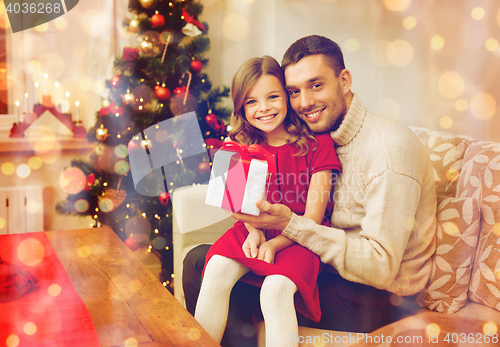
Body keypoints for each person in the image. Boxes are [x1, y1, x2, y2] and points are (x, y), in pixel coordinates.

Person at [184, 35, 436, 345]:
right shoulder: (318, 131)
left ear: (344, 80)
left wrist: (288, 228)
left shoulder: (389, 152)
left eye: (316, 85)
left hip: (378, 296)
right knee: (206, 261)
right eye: (294, 92)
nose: (304, 103)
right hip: (326, 258)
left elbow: (380, 269)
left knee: (213, 268)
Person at [194, 55, 341, 347]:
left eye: (272, 97)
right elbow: (235, 205)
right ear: (241, 106)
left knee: (275, 290)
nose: (263, 108)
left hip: (301, 238)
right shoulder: (235, 144)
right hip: (254, 230)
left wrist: (274, 243)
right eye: (251, 102)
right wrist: (254, 232)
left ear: (287, 97)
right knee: (215, 271)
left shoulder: (317, 143)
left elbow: (313, 218)